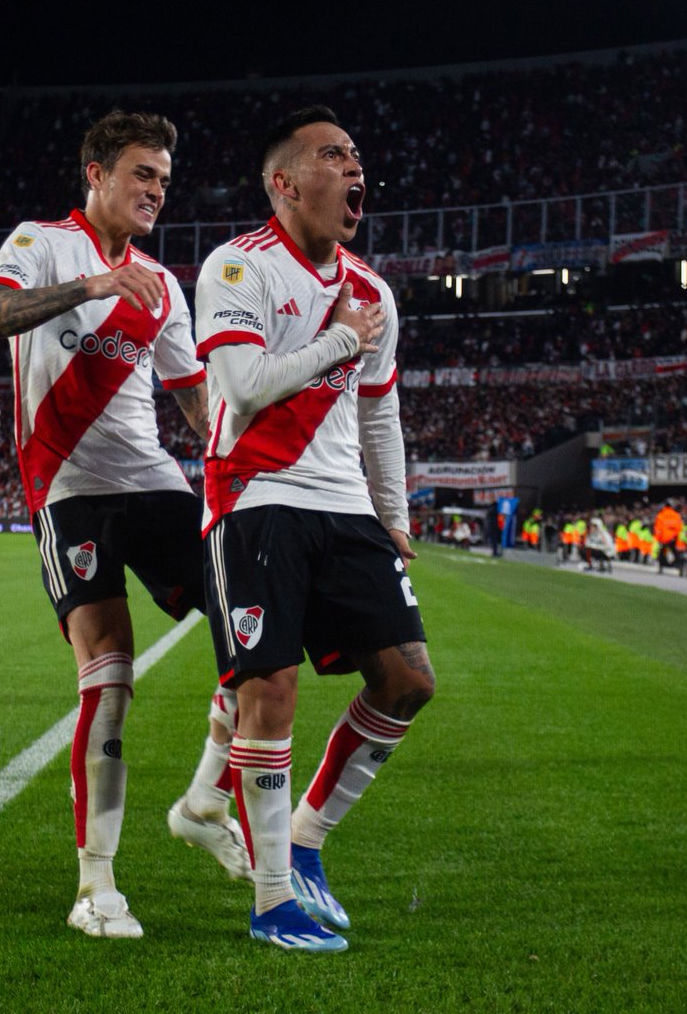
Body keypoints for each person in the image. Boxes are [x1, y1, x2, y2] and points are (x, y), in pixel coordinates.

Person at [0, 110, 248, 941]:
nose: (156, 191)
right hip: (69, 490)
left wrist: (239, 459)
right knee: (111, 677)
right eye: (141, 175)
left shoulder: (163, 284)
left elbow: (193, 397)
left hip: (156, 485)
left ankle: (204, 800)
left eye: (163, 178)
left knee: (258, 630)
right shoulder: (42, 243)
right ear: (94, 174)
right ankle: (96, 887)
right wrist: (92, 287)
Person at [195, 106, 435, 953]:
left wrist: (395, 518)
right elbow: (246, 384)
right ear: (285, 182)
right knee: (271, 692)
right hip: (255, 498)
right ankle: (269, 902)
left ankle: (304, 841)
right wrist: (338, 340)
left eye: (358, 156)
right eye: (335, 156)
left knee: (408, 681)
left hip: (345, 507)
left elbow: (382, 416)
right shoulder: (237, 267)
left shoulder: (374, 291)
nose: (356, 169)